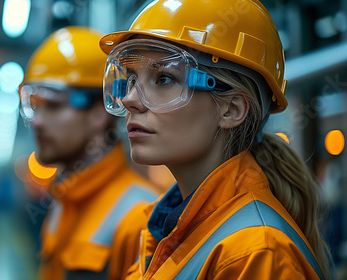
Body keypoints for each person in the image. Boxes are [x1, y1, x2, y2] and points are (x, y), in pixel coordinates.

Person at [98, 0, 332, 279]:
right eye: (132, 79)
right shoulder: (166, 231)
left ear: (232, 109)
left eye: (163, 78)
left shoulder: (255, 254)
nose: (129, 99)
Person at [20, 26, 161, 280]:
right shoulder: (64, 201)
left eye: (52, 105)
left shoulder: (141, 218)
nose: (37, 122)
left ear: (99, 113)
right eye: (34, 106)